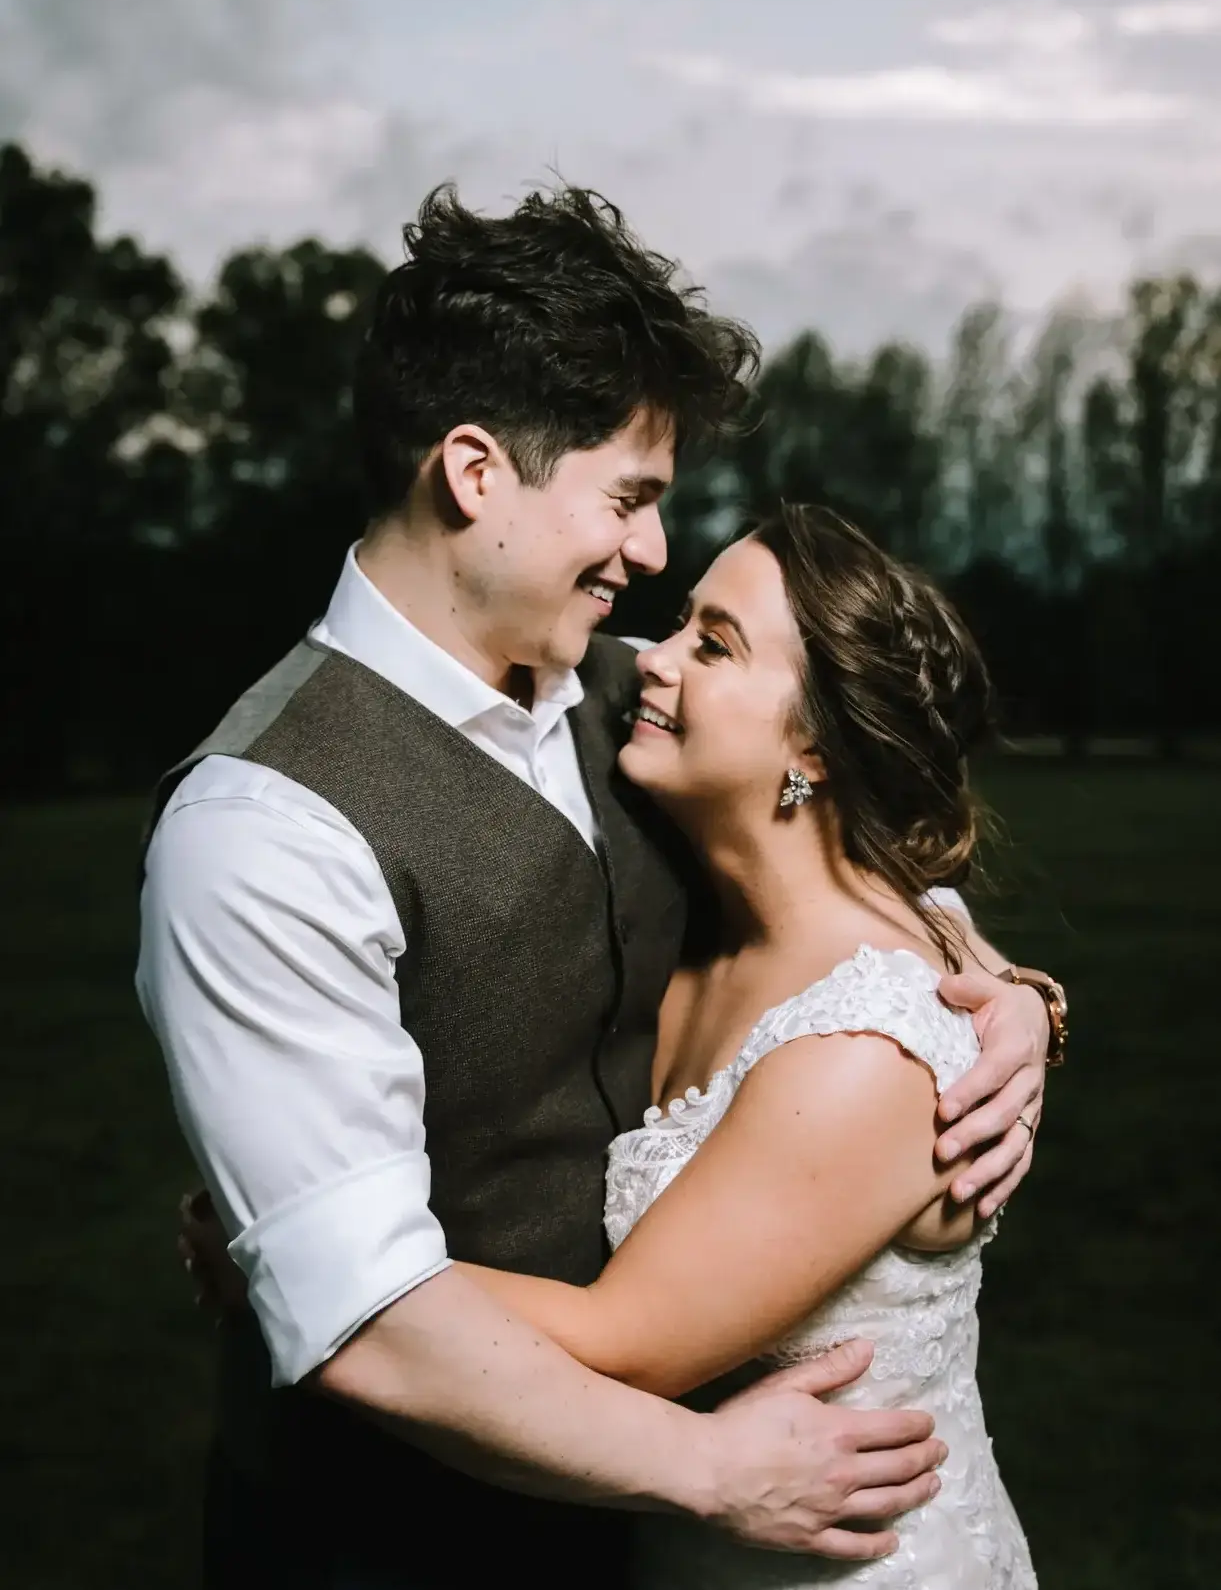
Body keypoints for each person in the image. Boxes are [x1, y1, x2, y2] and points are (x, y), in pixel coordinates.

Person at [140, 184, 1057, 1589]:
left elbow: (828, 841)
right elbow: (364, 1321)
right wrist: (712, 1470)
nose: (646, 557)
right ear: (473, 471)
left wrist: (998, 1000)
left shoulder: (636, 707)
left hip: (639, 1530)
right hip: (388, 1538)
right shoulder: (261, 830)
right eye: (628, 499)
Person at [450, 504, 1044, 1585]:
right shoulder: (708, 925)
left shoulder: (866, 1051)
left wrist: (304, 1246)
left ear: (816, 740)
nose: (653, 664)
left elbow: (626, 1340)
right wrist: (1032, 994)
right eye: (677, 623)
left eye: (712, 644)